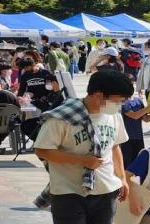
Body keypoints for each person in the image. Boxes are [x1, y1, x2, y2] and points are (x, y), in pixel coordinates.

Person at [34, 70, 134, 224]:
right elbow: (42, 150)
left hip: (105, 190)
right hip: (69, 192)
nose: (120, 105)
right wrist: (81, 160)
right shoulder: (61, 118)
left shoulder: (113, 116)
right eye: (118, 100)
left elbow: (114, 148)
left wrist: (122, 179)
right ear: (99, 95)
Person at [120, 95, 150, 168]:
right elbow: (135, 115)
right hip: (126, 139)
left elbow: (147, 118)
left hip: (138, 137)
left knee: (140, 164)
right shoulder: (122, 101)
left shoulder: (138, 101)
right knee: (128, 165)